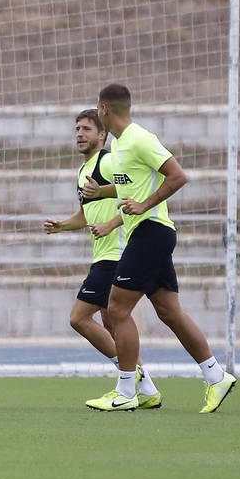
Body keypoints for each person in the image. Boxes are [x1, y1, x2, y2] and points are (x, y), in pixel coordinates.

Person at [87, 83, 236, 413]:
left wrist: (145, 204)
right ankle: (216, 377)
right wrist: (103, 193)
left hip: (151, 233)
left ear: (104, 109)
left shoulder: (140, 138)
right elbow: (131, 184)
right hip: (150, 234)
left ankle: (127, 391)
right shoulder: (121, 147)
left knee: (117, 310)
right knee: (169, 311)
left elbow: (177, 175)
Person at [44, 108, 160, 408]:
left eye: (87, 129)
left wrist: (111, 225)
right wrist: (62, 225)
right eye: (77, 129)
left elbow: (133, 196)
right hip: (105, 256)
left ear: (102, 134)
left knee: (79, 318)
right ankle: (146, 388)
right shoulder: (83, 171)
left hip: (116, 255)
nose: (80, 134)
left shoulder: (108, 162)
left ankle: (131, 377)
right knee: (113, 324)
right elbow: (85, 215)